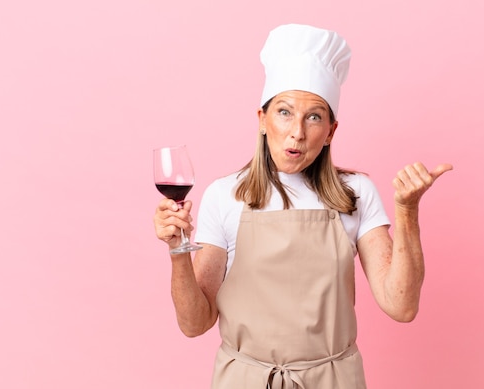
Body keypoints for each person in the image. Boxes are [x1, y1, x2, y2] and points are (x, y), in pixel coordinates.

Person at [154, 23, 452, 389]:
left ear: (330, 132)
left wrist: (407, 212)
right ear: (262, 121)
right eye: (283, 112)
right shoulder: (223, 195)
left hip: (333, 379)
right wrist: (177, 252)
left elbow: (401, 305)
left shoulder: (356, 192)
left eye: (314, 116)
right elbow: (194, 323)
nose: (297, 131)